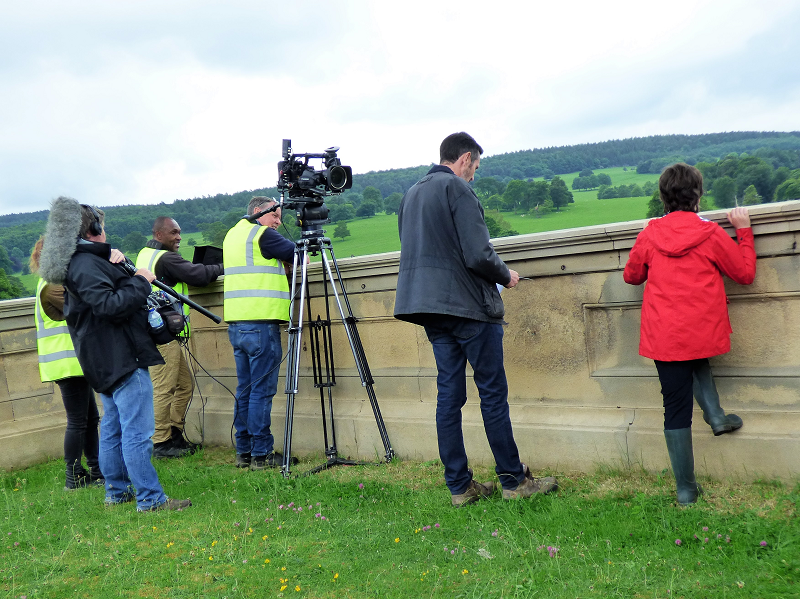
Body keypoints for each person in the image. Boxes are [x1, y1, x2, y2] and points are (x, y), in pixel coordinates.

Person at [394, 132, 557, 506]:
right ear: (465, 158)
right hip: (467, 307)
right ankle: (514, 481)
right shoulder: (457, 188)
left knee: (449, 397)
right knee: (492, 393)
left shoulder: (412, 193)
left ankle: (459, 487)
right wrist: (506, 275)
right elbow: (478, 254)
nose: (473, 175)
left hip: (428, 308)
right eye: (475, 168)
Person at [39, 197, 191, 511]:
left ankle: (117, 493)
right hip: (121, 356)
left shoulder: (81, 262)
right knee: (137, 432)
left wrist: (113, 260)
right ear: (93, 229)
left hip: (103, 358)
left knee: (113, 427)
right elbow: (109, 306)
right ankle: (150, 499)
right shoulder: (86, 264)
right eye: (102, 227)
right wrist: (141, 281)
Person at [623, 163, 756, 505]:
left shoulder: (651, 233)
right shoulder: (711, 233)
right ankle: (716, 417)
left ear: (663, 197)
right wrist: (743, 231)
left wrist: (646, 241)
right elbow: (744, 274)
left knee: (675, 406)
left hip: (664, 332)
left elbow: (632, 276)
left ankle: (686, 490)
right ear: (698, 195)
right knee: (695, 356)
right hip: (701, 327)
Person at [135, 216, 223, 458]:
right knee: (164, 388)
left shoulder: (145, 254)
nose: (179, 237)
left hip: (155, 329)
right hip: (161, 334)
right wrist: (223, 266)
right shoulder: (166, 258)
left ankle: (174, 434)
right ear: (159, 234)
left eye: (180, 232)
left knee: (184, 385)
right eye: (173, 232)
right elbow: (199, 275)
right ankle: (160, 442)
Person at [222, 196, 296, 470]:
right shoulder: (262, 235)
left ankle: (244, 451)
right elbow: (301, 254)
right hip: (261, 323)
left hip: (237, 323)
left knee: (245, 389)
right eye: (275, 216)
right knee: (261, 392)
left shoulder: (232, 235)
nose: (277, 222)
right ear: (257, 211)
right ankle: (262, 454)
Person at [30, 236, 105, 490]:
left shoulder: (51, 281)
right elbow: (84, 308)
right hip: (67, 363)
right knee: (78, 421)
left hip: (73, 361)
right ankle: (73, 477)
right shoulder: (53, 285)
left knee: (90, 419)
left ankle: (95, 470)